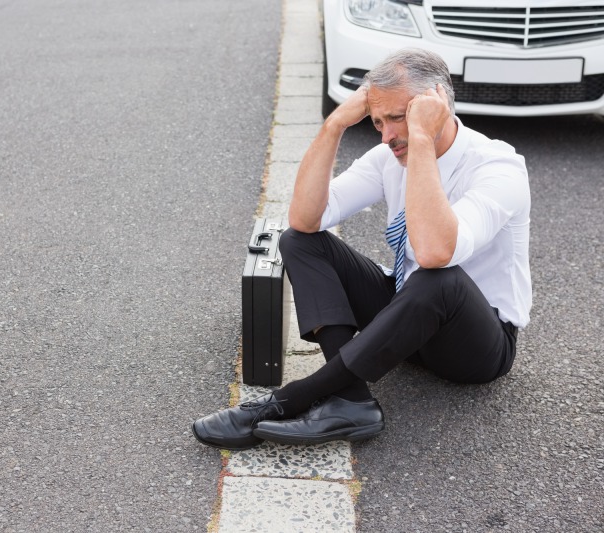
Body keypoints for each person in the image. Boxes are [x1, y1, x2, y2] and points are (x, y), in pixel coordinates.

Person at [192, 47, 531, 450]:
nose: (388, 136)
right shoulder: (389, 155)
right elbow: (305, 218)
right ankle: (350, 399)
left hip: (476, 344)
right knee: (299, 241)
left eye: (398, 117)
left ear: (436, 102)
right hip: (409, 320)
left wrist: (421, 137)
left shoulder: (498, 168)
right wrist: (335, 123)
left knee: (439, 278)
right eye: (377, 122)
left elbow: (436, 252)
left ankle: (291, 399)